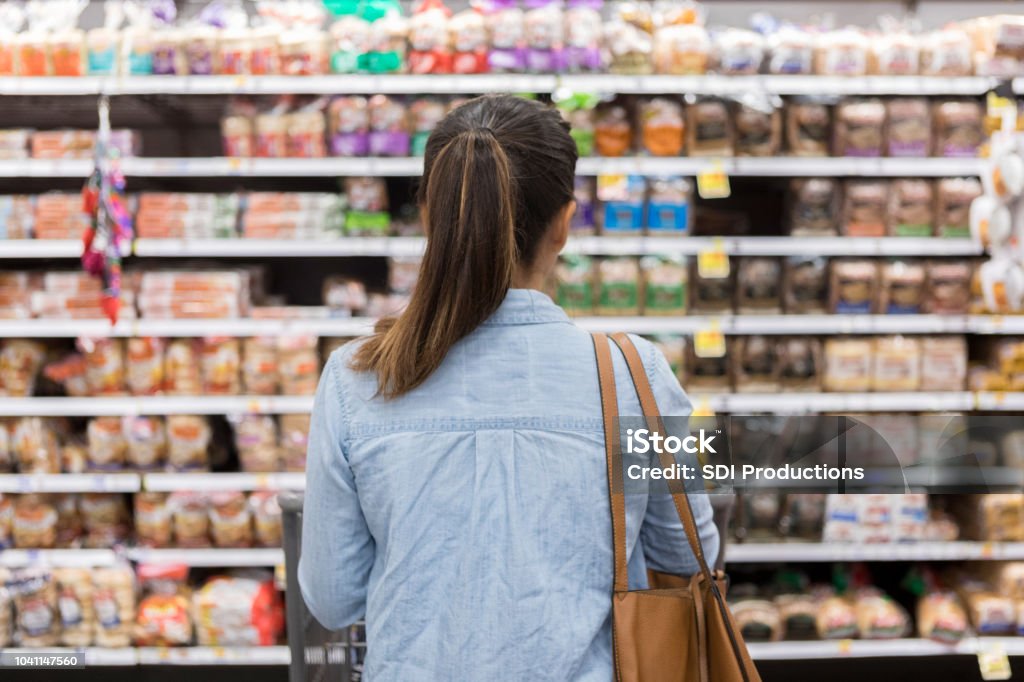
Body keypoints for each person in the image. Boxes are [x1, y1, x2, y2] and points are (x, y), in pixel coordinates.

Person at [299, 94, 719, 681]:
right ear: (565, 223)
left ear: (430, 218)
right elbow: (691, 554)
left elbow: (333, 598)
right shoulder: (634, 372)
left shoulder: (355, 377)